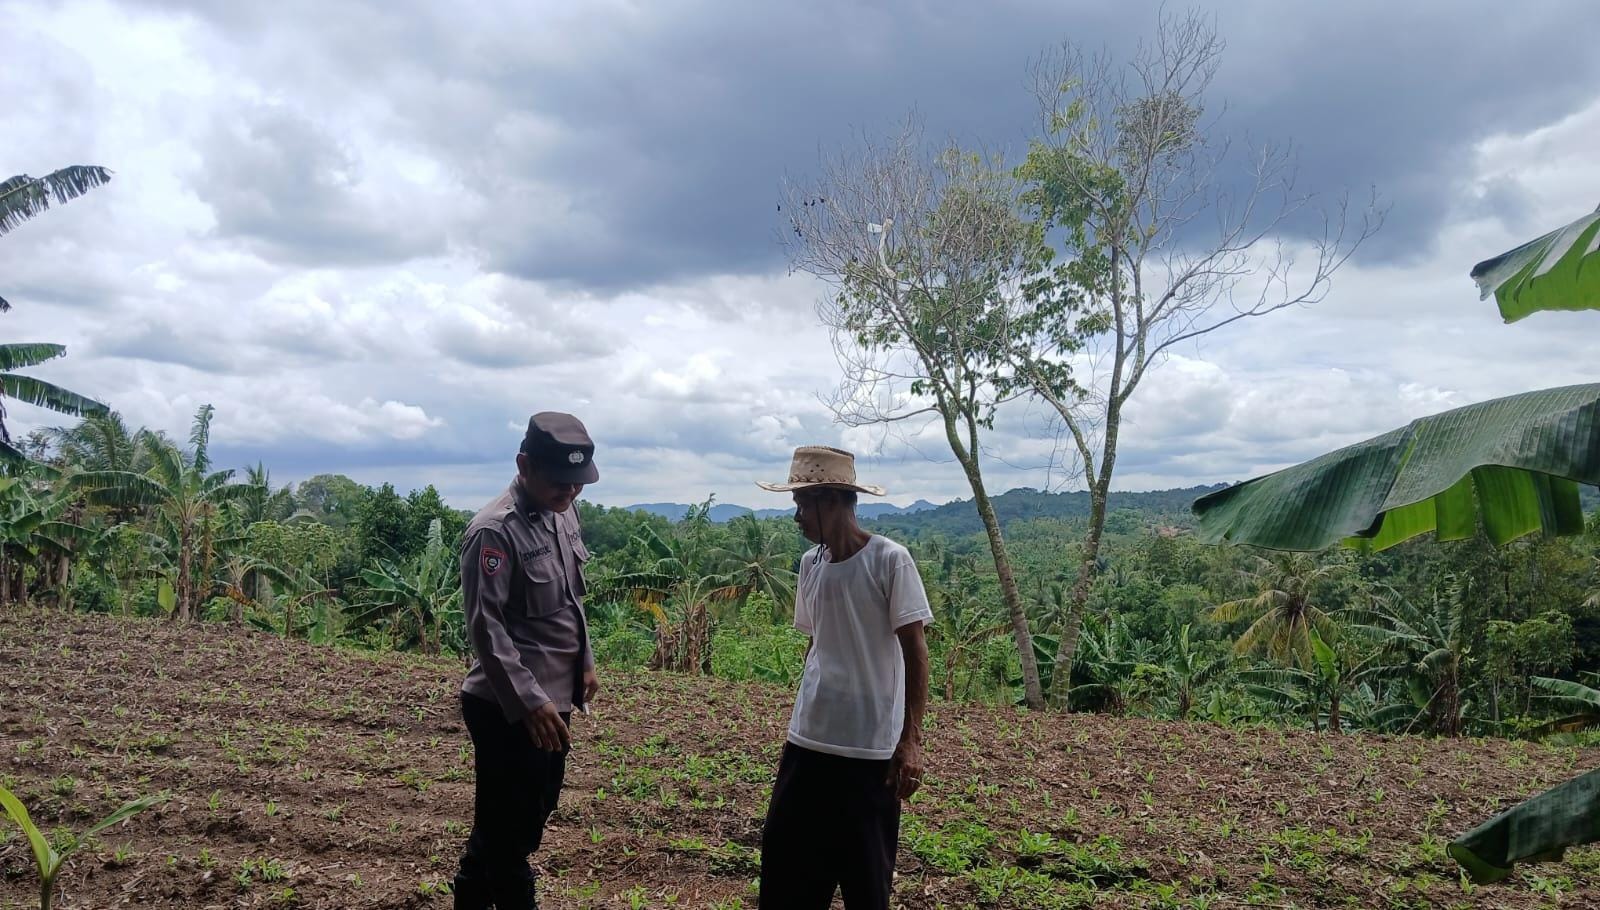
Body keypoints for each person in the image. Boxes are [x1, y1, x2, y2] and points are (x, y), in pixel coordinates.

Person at [755, 445, 933, 910]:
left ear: (831, 500)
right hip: (808, 745)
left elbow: (916, 652)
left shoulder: (889, 560)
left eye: (802, 504)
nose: (797, 516)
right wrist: (803, 708)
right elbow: (817, 644)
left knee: (866, 885)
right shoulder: (810, 565)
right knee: (786, 877)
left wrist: (911, 741)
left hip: (869, 753)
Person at [451, 412, 602, 910]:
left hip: (554, 701)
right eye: (560, 480)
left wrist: (584, 660)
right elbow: (486, 628)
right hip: (509, 708)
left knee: (514, 823)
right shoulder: (494, 532)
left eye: (577, 482)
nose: (571, 491)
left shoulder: (564, 512)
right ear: (524, 465)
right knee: (510, 840)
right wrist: (530, 702)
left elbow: (570, 599)